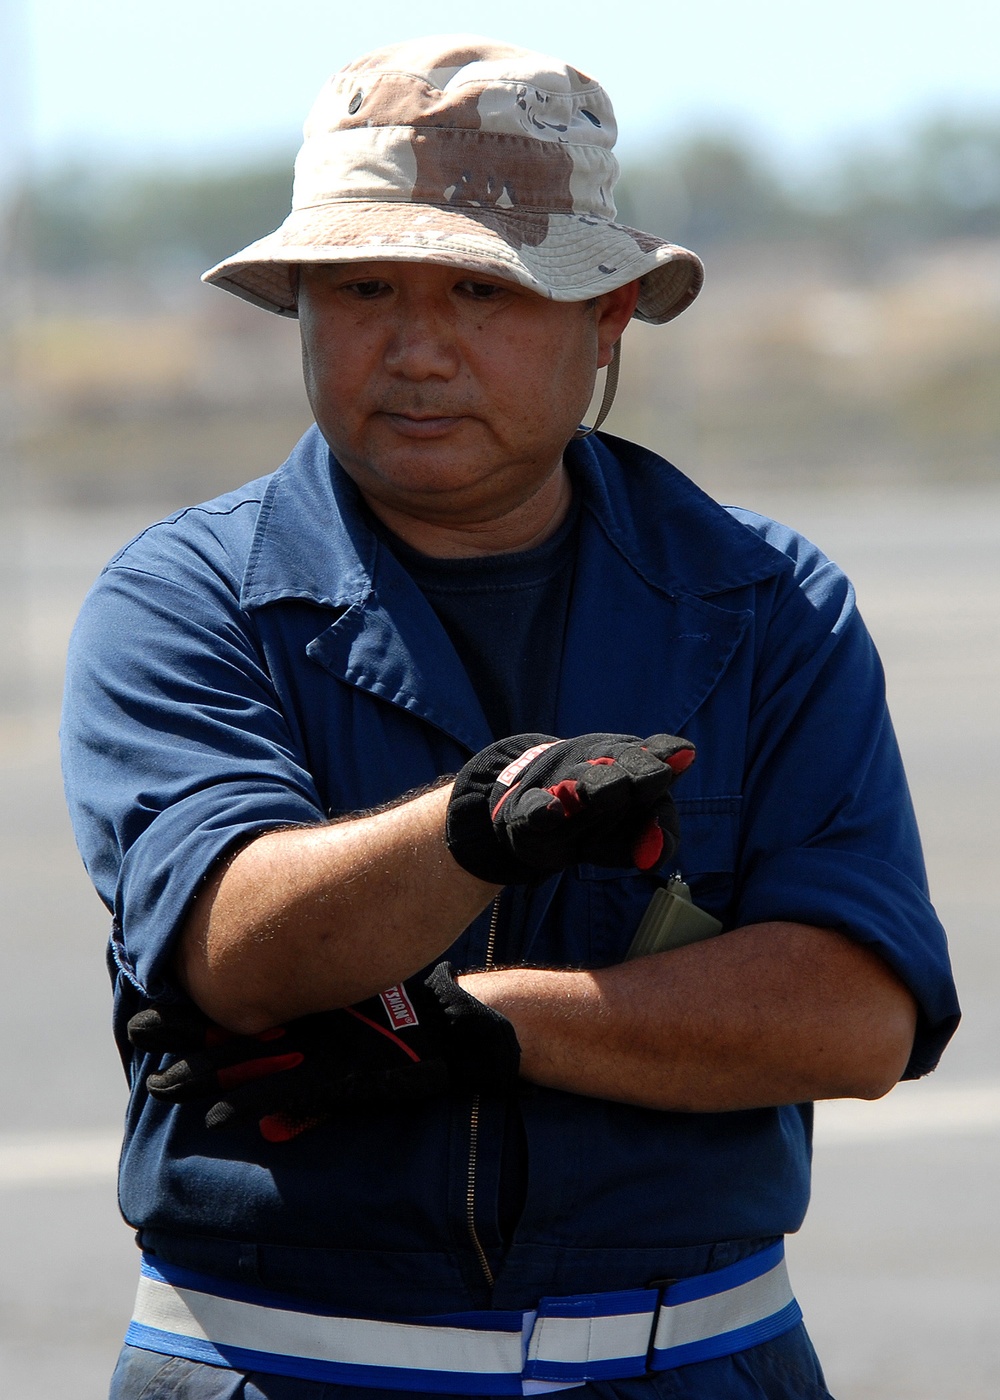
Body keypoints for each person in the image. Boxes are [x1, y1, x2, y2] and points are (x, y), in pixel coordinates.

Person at [61, 35, 960, 1400]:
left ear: (605, 319)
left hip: (694, 1360)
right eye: (363, 287)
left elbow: (854, 1018)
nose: (417, 348)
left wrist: (482, 1019)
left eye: (484, 290)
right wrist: (478, 832)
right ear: (301, 310)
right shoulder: (188, 600)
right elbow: (232, 942)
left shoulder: (768, 604)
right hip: (279, 1364)